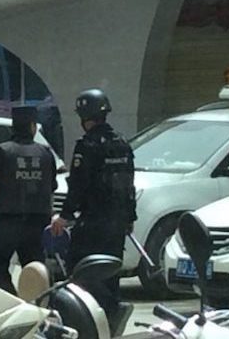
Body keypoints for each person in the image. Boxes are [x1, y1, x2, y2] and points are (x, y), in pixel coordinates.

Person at [50, 88, 136, 337]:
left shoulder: (86, 147)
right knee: (110, 271)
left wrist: (64, 217)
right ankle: (111, 315)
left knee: (82, 272)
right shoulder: (122, 144)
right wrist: (129, 218)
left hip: (92, 223)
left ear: (83, 116)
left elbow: (78, 187)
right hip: (117, 223)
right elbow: (129, 185)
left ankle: (87, 322)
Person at [0, 106, 57, 295]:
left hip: (9, 221)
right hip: (38, 221)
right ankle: (42, 307)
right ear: (32, 127)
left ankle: (11, 301)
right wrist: (50, 213)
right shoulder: (45, 153)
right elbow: (50, 189)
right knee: (36, 269)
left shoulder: (4, 151)